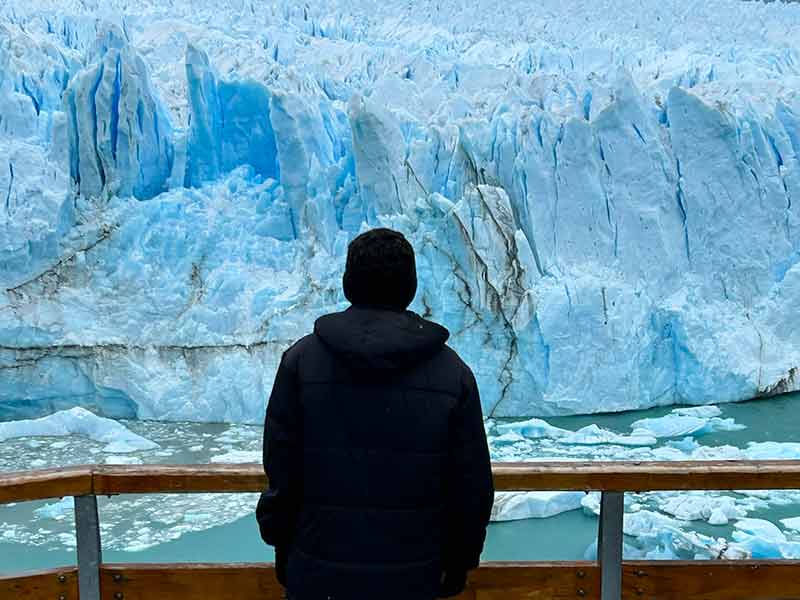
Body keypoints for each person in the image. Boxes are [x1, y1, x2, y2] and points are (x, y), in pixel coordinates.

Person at [256, 227, 494, 600]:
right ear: (411, 286)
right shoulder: (453, 374)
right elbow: (472, 486)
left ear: (349, 282)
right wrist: (461, 559)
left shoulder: (301, 363)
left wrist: (282, 544)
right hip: (415, 575)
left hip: (318, 571)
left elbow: (281, 469)